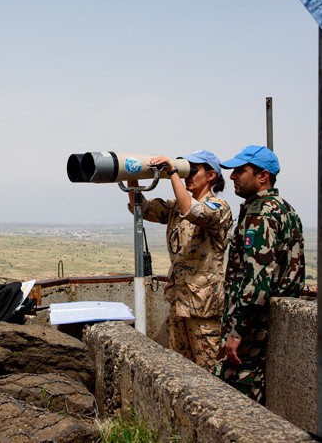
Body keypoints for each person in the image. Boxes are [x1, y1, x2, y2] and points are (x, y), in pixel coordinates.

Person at [214, 145, 305, 405]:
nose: (232, 177)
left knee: (234, 403)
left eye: (241, 171)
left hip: (252, 328)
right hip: (265, 323)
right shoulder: (285, 208)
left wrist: (237, 330)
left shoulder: (260, 214)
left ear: (262, 176)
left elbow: (257, 278)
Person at [126, 150, 232, 371]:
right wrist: (132, 174)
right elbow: (142, 208)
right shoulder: (175, 207)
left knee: (209, 372)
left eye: (194, 170)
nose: (188, 175)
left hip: (205, 309)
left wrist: (173, 171)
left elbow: (193, 211)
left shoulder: (219, 207)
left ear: (211, 175)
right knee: (180, 369)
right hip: (179, 302)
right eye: (186, 169)